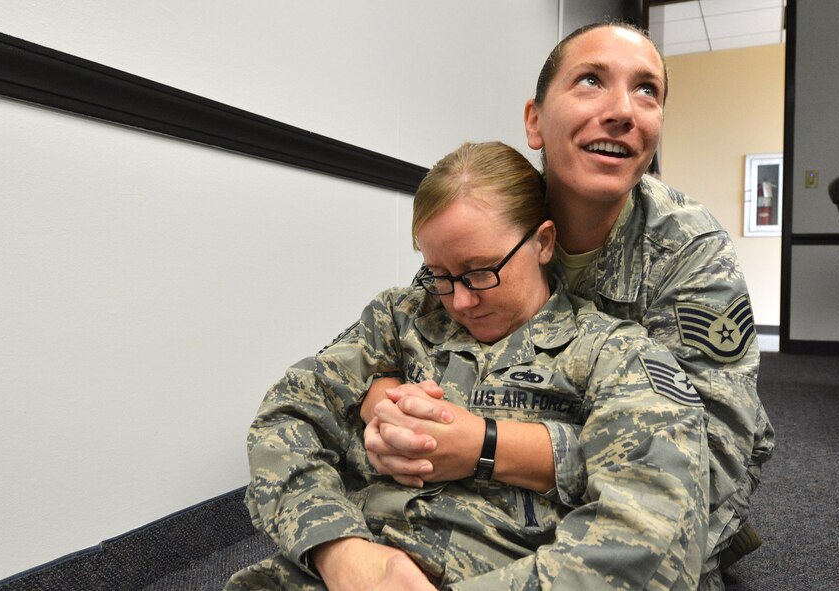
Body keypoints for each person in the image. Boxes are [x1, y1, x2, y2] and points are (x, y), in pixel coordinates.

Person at [360, 22, 774, 591]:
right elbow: (421, 335)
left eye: (647, 90)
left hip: (646, 492)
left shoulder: (690, 252)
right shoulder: (494, 211)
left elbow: (699, 466)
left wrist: (486, 445)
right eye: (591, 81)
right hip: (501, 474)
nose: (624, 110)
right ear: (535, 121)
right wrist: (391, 409)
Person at [227, 141, 710, 590]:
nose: (459, 300)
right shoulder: (402, 318)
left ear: (543, 243)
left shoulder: (612, 353)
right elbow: (286, 416)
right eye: (439, 274)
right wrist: (339, 552)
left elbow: (649, 528)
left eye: (481, 271)